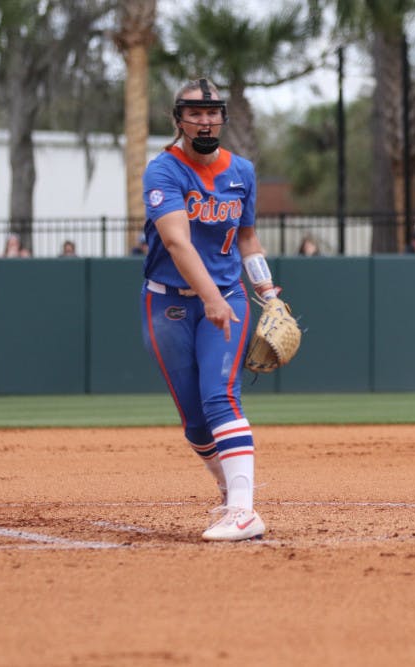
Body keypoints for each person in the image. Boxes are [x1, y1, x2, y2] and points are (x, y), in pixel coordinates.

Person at [140, 77, 275, 542]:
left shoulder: (242, 171)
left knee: (221, 395)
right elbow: (176, 241)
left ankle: (243, 510)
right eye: (195, 113)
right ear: (178, 119)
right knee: (196, 425)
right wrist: (210, 297)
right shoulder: (163, 171)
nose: (205, 120)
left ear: (223, 117)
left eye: (213, 111)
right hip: (167, 302)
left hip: (228, 301)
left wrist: (267, 291)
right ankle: (226, 489)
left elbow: (247, 238)